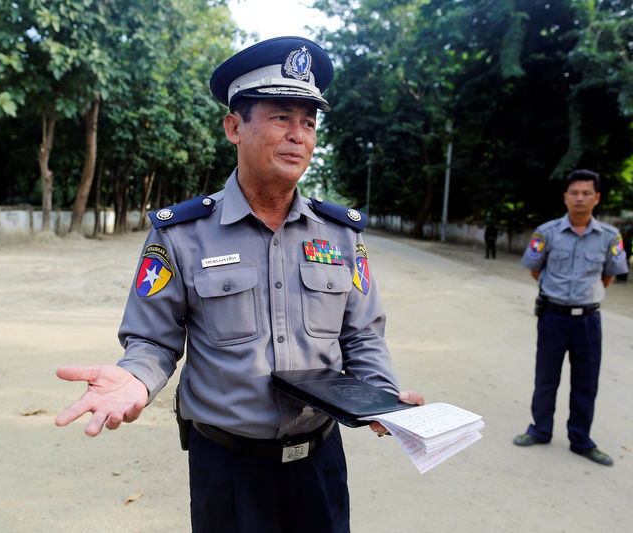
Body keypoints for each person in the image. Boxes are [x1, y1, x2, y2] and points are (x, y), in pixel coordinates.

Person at [54, 36, 424, 532]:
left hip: (319, 462)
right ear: (234, 126)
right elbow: (152, 337)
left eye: (309, 124)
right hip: (227, 469)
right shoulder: (181, 233)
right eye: (281, 118)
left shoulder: (340, 235)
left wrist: (381, 397)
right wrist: (137, 378)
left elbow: (362, 335)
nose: (298, 136)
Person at [513, 169, 627, 466]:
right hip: (553, 316)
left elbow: (609, 276)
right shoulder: (546, 232)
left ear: (597, 198)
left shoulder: (610, 236)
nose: (580, 198)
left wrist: (584, 299)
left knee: (586, 381)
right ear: (565, 197)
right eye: (574, 193)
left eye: (586, 193)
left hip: (588, 320)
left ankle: (581, 439)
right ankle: (539, 430)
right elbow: (535, 269)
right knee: (546, 376)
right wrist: (560, 296)